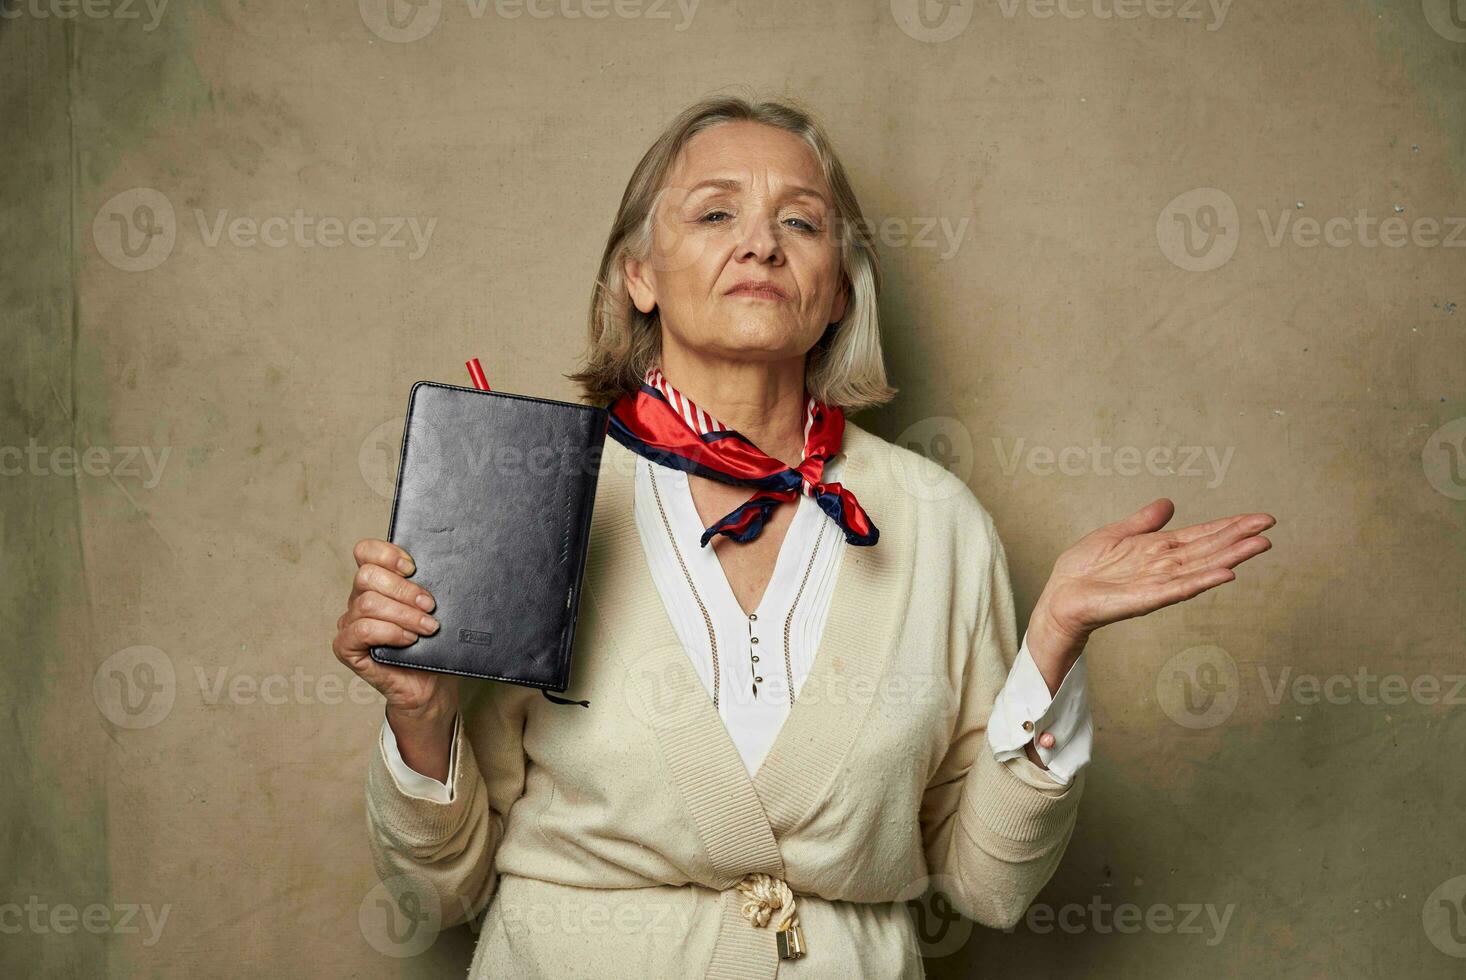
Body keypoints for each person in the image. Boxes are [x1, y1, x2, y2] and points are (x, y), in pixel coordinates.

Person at [331, 95, 1274, 978]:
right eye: (713, 215)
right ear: (639, 276)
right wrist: (420, 716)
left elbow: (989, 884)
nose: (760, 245)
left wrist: (1054, 640)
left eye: (801, 222)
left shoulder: (941, 525)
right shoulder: (535, 495)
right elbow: (437, 890)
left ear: (837, 294)